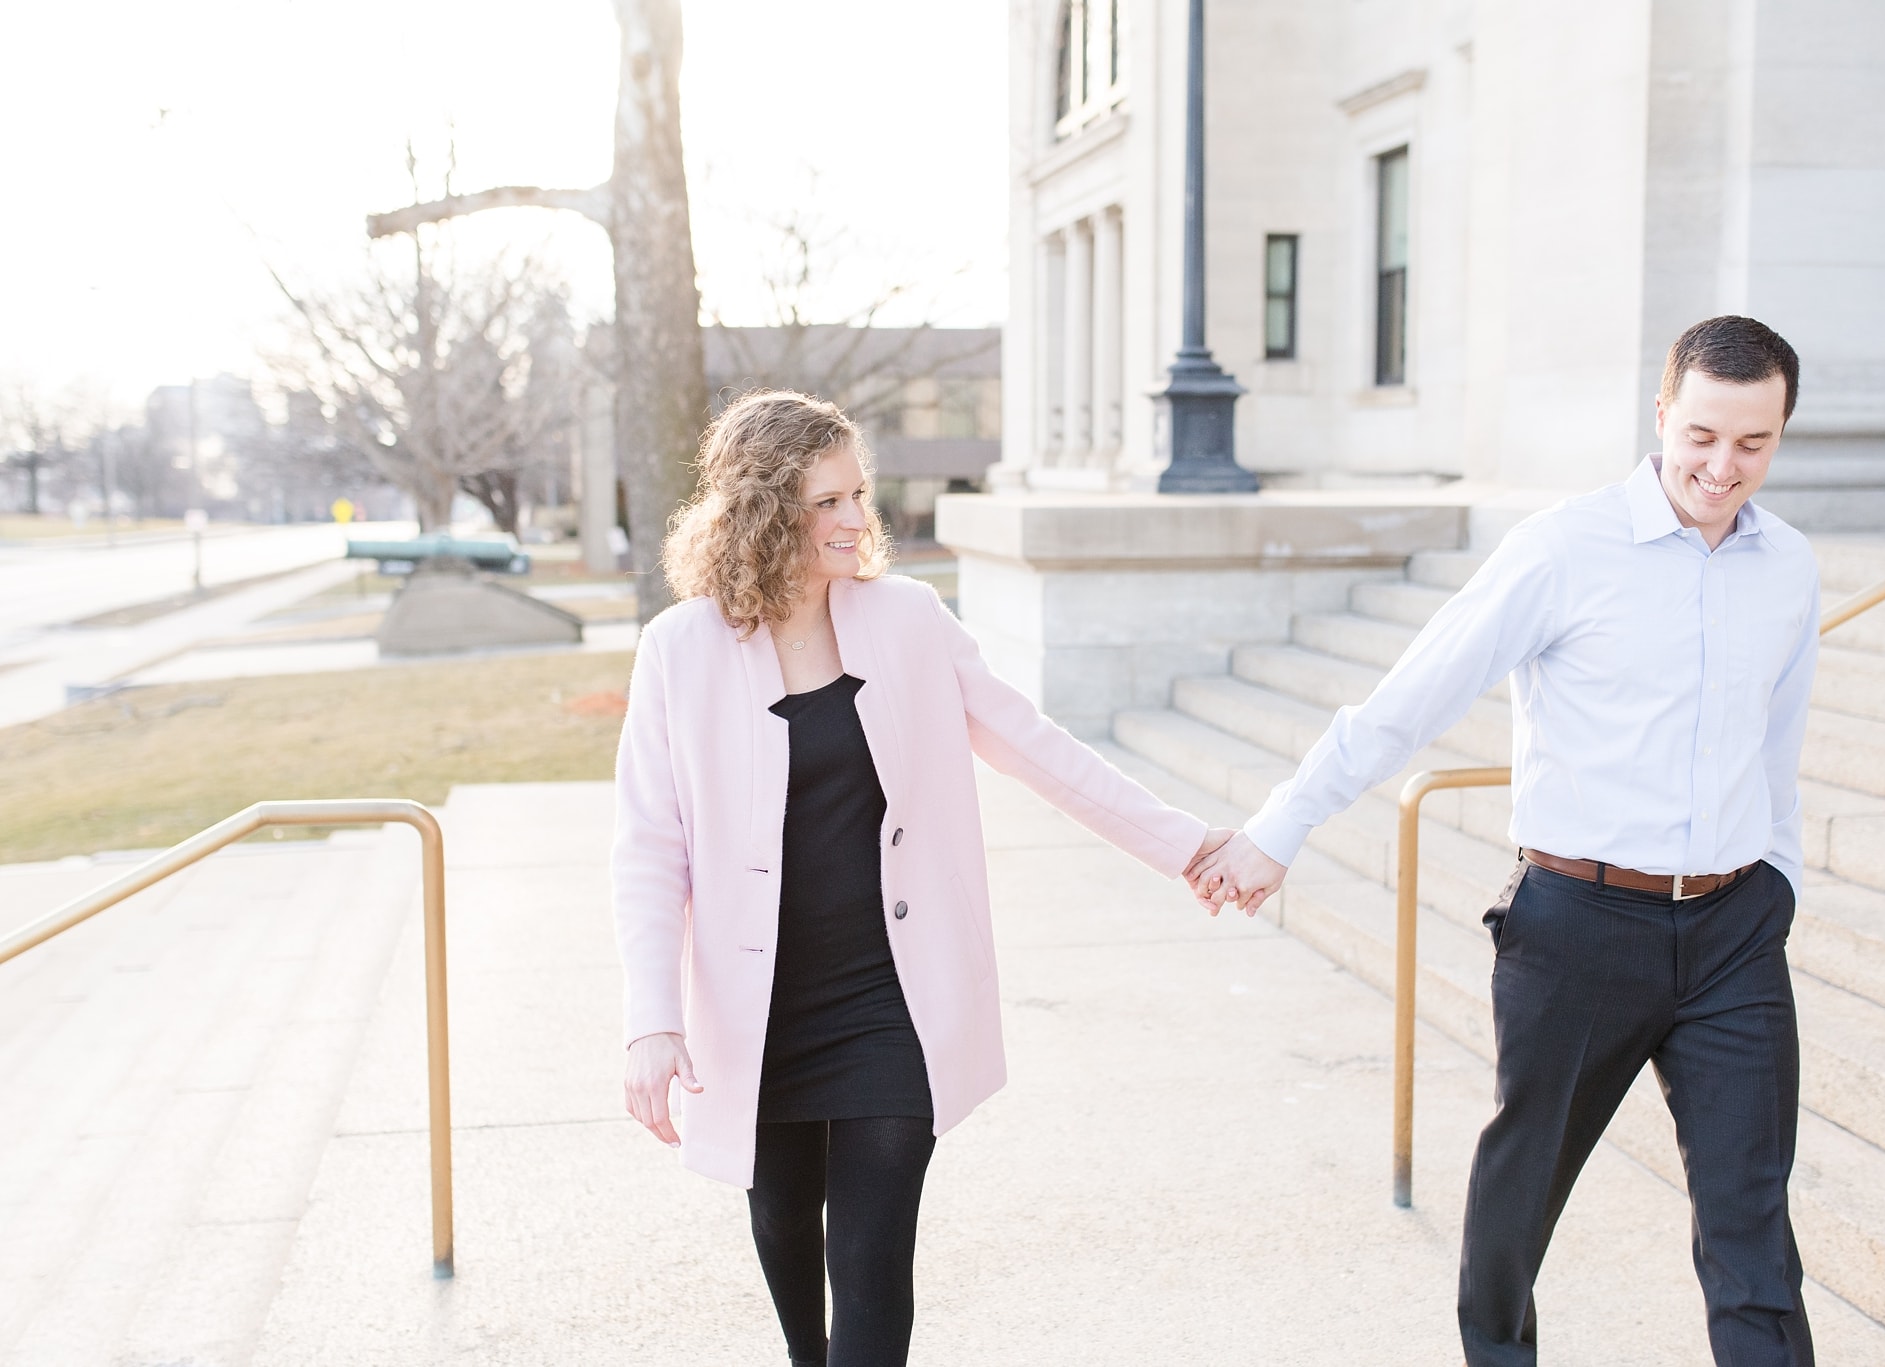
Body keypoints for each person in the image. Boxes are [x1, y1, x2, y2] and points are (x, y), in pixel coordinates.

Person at [1192, 316, 1821, 1365]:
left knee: (1752, 1224)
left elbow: (1776, 742)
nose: (1721, 467)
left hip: (1732, 930)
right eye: (1701, 435)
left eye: (1752, 444)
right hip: (1580, 923)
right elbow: (1408, 700)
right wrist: (1279, 826)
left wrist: (1778, 883)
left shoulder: (1786, 564)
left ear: (1780, 433)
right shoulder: (1561, 548)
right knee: (1518, 1194)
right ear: (1660, 413)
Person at [613, 390, 1229, 1367]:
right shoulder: (678, 650)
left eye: (860, 492)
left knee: (867, 1255)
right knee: (782, 1219)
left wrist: (1185, 844)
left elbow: (1036, 746)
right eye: (828, 501)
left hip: (889, 998)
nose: (859, 518)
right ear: (763, 512)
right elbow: (649, 845)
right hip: (757, 1009)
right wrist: (654, 1017)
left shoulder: (905, 619)